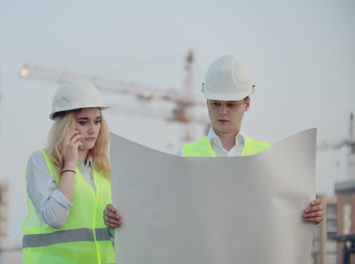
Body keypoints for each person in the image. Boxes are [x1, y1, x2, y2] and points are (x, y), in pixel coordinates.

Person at [104, 54, 324, 229]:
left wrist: (311, 215)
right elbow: (159, 212)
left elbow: (285, 212)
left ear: (247, 103)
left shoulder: (267, 157)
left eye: (231, 104)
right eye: (216, 104)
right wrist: (120, 217)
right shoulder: (183, 158)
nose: (223, 112)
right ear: (207, 102)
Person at [22, 80, 115, 264]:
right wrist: (70, 163)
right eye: (83, 122)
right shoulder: (41, 161)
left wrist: (115, 223)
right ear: (65, 124)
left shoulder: (103, 167)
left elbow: (113, 232)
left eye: (97, 122)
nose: (92, 130)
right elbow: (55, 218)